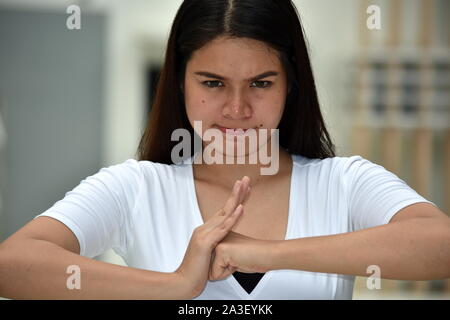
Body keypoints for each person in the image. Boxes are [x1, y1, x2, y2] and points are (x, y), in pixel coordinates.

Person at [1, 0, 449, 300]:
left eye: (260, 83)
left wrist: (262, 252)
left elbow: (440, 247)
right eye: (213, 83)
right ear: (179, 82)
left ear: (291, 86)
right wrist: (175, 285)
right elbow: (13, 264)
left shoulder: (345, 182)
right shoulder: (135, 187)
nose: (236, 109)